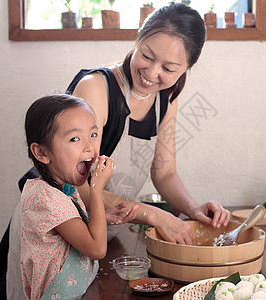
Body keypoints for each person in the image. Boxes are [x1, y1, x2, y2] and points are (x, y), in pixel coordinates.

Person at [66, 2, 231, 244]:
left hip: (100, 233)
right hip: (56, 228)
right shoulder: (96, 88)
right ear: (137, 40)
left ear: (186, 69)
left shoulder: (167, 95)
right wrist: (151, 214)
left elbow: (164, 172)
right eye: (146, 56)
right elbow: (74, 185)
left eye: (168, 68)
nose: (152, 73)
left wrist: (193, 209)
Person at [21, 94, 115, 299]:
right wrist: (96, 190)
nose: (90, 146)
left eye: (93, 134)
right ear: (42, 152)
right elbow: (97, 249)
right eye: (74, 139)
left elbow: (71, 227)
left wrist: (104, 218)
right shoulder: (45, 198)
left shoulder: (63, 187)